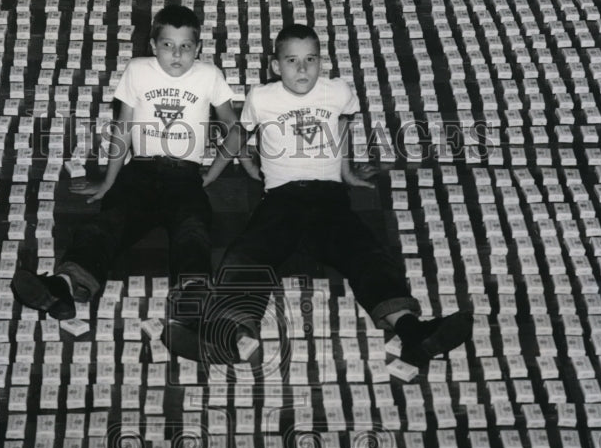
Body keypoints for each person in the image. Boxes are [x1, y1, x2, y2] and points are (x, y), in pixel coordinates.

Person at [172, 23, 471, 367]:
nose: (302, 69)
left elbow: (342, 126)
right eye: (292, 61)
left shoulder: (337, 91)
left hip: (329, 198)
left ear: (321, 62)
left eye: (310, 59)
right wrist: (210, 174)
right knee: (247, 255)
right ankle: (230, 334)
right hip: (281, 199)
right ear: (275, 66)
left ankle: (412, 330)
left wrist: (345, 171)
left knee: (367, 253)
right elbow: (240, 134)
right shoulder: (262, 97)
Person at [11, 5, 240, 324]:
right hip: (140, 171)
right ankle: (64, 286)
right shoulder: (138, 69)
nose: (177, 54)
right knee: (106, 223)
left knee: (193, 228)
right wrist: (108, 181)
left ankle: (194, 296)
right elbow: (123, 128)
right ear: (153, 45)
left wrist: (210, 176)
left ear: (198, 48)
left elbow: (234, 128)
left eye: (186, 46)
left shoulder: (209, 75)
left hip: (185, 175)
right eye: (168, 45)